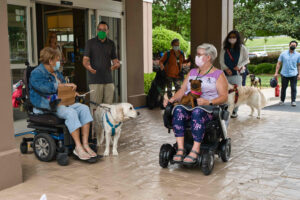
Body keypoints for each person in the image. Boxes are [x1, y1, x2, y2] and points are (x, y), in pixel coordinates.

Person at [163, 43, 228, 165]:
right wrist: (171, 100)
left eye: (199, 54)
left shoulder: (218, 74)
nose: (196, 57)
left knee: (197, 112)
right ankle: (181, 149)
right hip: (189, 106)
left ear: (208, 57)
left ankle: (195, 149)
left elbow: (224, 97)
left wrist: (208, 101)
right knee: (178, 110)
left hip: (208, 109)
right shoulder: (192, 72)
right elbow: (182, 90)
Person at [30, 47, 96, 161]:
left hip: (63, 101)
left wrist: (71, 91)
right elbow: (45, 88)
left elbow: (64, 86)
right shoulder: (36, 73)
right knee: (71, 113)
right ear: (50, 61)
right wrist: (62, 86)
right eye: (57, 59)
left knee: (84, 108)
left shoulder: (56, 72)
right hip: (47, 104)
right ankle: (78, 147)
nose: (58, 62)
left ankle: (85, 144)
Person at [83, 21, 120, 105]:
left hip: (108, 80)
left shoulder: (111, 43)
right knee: (96, 107)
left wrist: (116, 65)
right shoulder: (90, 43)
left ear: (108, 31)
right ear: (97, 30)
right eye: (100, 29)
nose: (102, 32)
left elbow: (115, 60)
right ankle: (96, 119)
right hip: (95, 80)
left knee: (108, 106)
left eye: (104, 30)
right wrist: (90, 68)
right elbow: (85, 60)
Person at [220, 30, 249, 118]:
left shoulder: (242, 48)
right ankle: (225, 109)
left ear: (237, 38)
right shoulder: (225, 48)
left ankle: (234, 111)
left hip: (237, 74)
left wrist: (239, 66)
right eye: (230, 37)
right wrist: (226, 68)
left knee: (237, 93)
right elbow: (221, 60)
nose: (232, 39)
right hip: (226, 74)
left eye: (234, 37)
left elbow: (246, 59)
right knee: (225, 91)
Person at [274, 40, 300, 107]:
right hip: (284, 74)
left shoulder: (298, 55)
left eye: (294, 45)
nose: (293, 46)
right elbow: (279, 63)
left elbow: (299, 65)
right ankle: (282, 100)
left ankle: (293, 101)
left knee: (293, 88)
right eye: (292, 45)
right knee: (283, 88)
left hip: (294, 74)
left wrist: (299, 74)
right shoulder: (283, 54)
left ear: (296, 46)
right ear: (289, 45)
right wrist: (276, 72)